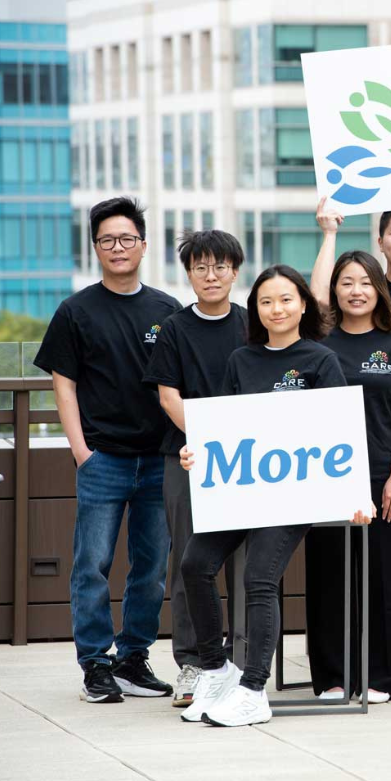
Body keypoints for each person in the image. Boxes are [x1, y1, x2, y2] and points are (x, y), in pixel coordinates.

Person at [177, 265, 373, 727]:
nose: (276, 309)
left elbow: (340, 431)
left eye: (286, 299)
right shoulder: (240, 361)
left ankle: (252, 691)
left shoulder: (321, 360)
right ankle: (215, 670)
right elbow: (224, 427)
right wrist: (196, 453)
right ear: (256, 310)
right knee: (195, 564)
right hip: (242, 491)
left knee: (258, 580)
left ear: (303, 304)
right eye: (266, 301)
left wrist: (355, 494)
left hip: (294, 496)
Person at [35, 196, 181, 704]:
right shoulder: (76, 310)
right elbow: (64, 385)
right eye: (106, 240)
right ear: (95, 247)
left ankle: (132, 658)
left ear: (142, 245)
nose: (117, 248)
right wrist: (81, 452)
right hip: (103, 459)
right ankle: (95, 664)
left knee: (151, 568)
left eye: (126, 239)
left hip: (159, 460)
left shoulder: (167, 310)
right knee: (91, 564)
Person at [311, 199, 391, 680]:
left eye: (365, 283)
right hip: (329, 476)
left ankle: (384, 676)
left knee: (386, 579)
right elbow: (315, 293)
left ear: (378, 290)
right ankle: (332, 676)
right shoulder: (319, 342)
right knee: (331, 577)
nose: (356, 291)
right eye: (347, 283)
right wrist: (329, 234)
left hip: (386, 475)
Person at [143, 229, 247, 708]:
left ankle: (244, 661)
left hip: (251, 461)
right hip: (187, 457)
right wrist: (209, 441)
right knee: (189, 561)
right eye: (201, 267)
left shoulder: (254, 324)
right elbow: (168, 395)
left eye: (220, 266)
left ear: (234, 271)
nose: (211, 275)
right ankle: (192, 662)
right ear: (188, 273)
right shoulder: (174, 329)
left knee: (246, 564)